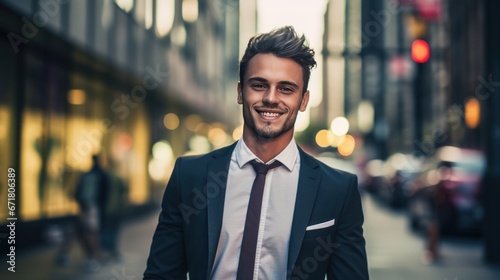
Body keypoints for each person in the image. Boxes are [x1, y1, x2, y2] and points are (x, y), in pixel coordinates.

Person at [144, 26, 369, 280]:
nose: (271, 98)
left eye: (286, 88)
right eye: (260, 85)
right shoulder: (190, 176)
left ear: (304, 100)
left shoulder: (338, 190)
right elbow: (161, 275)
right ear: (240, 92)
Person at [74, 154, 109, 272]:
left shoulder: (87, 174)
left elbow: (77, 192)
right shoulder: (102, 175)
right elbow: (105, 194)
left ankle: (91, 257)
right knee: (93, 232)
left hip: (85, 207)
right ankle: (93, 257)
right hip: (94, 207)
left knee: (85, 232)